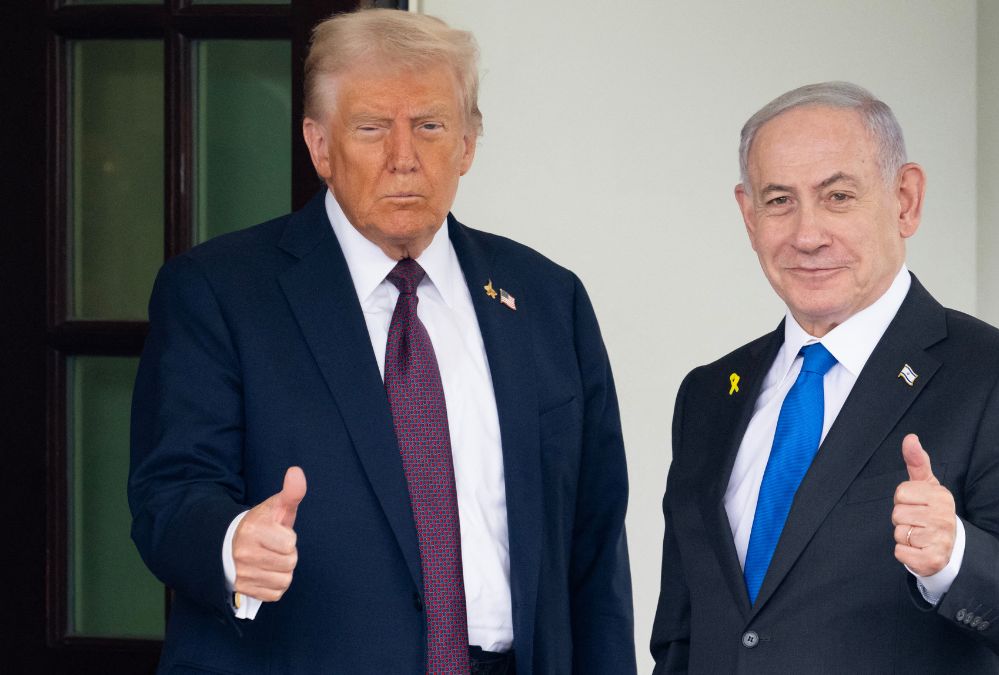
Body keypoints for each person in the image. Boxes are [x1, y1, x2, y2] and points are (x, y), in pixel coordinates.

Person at [128, 9, 635, 674]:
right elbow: (171, 491)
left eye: (429, 126)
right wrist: (232, 545)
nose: (404, 157)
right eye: (371, 128)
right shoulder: (219, 292)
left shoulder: (546, 299)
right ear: (320, 145)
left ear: (468, 144)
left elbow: (594, 549)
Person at [650, 81, 999, 673]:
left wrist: (955, 558)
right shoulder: (708, 394)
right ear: (748, 215)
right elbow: (683, 636)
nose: (807, 235)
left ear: (906, 200)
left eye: (837, 196)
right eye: (779, 200)